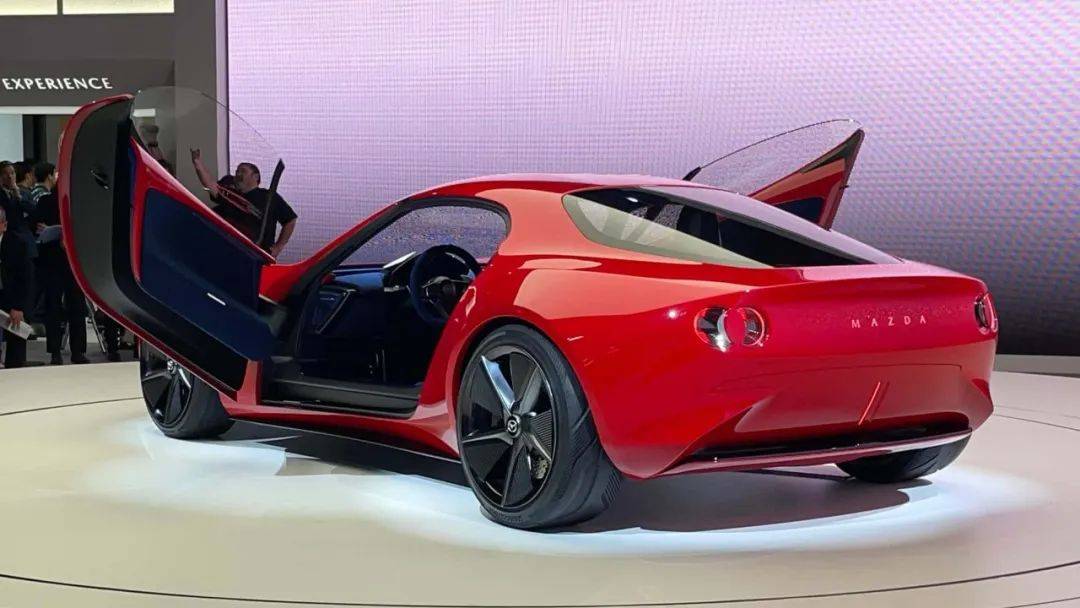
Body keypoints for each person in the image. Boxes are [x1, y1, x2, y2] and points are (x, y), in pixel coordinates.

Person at [189, 150, 297, 257]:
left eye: (243, 171)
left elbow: (290, 220)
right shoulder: (229, 194)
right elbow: (211, 186)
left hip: (255, 255)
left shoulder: (270, 197)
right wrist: (198, 163)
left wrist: (278, 247)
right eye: (237, 171)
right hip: (225, 250)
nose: (238, 174)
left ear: (256, 177)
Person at [31, 189, 88, 365]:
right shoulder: (51, 201)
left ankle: (62, 351)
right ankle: (72, 351)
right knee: (64, 305)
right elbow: (37, 227)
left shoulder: (73, 201)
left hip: (61, 260)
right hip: (58, 260)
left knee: (68, 305)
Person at [0, 206, 31, 368]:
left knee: (17, 326)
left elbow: (24, 279)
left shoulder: (17, 244)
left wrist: (18, 307)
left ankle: (15, 368)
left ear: (4, 225)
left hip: (12, 294)